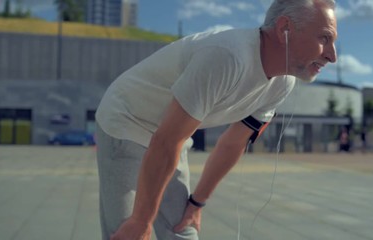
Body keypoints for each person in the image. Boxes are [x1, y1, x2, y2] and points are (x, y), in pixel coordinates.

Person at [95, 0, 337, 239]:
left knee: (182, 227)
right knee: (130, 232)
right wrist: (141, 220)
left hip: (171, 134)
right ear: (285, 29)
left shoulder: (282, 83)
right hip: (128, 119)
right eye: (325, 38)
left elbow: (233, 144)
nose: (332, 56)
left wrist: (197, 203)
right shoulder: (227, 56)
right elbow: (167, 140)